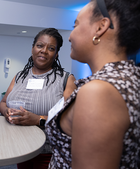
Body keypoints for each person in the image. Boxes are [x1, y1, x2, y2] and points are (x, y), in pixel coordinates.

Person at [45, 0, 140, 168]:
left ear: (101, 27)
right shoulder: (129, 76)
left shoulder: (99, 92)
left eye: (76, 25)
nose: (69, 36)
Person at [0, 28, 76, 169]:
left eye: (51, 48)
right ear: (33, 49)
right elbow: (3, 102)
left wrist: (38, 120)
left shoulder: (66, 80)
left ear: (56, 54)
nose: (44, 51)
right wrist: (6, 112)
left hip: (49, 152)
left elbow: (70, 121)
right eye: (40, 45)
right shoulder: (20, 76)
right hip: (20, 148)